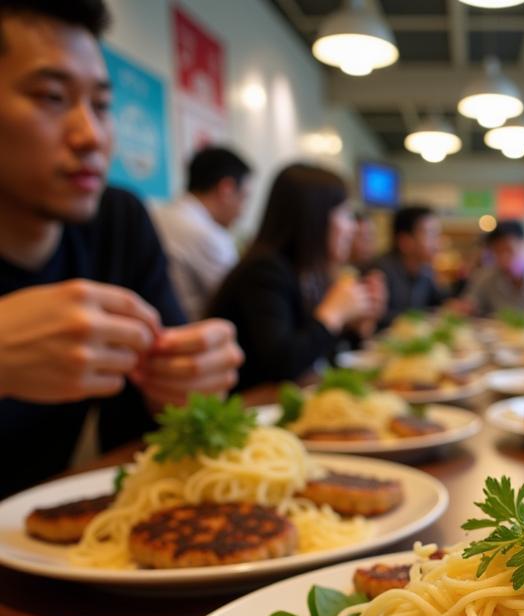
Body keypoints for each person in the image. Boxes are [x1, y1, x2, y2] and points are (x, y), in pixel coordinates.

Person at [0, 0, 242, 498]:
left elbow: (160, 411)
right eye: (51, 96)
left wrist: (188, 381)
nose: (91, 135)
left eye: (102, 106)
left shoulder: (118, 220)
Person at [208, 163, 384, 391]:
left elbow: (321, 359)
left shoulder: (308, 274)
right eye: (345, 214)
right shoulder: (264, 271)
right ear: (314, 216)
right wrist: (332, 316)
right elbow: (281, 367)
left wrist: (357, 328)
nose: (352, 228)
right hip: (251, 411)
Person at [152, 145, 250, 320]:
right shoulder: (209, 236)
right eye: (243, 197)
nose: (241, 212)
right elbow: (243, 304)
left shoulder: (159, 214)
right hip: (191, 336)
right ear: (226, 189)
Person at [452, 219, 524, 317]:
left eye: (509, 250)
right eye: (498, 252)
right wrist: (464, 308)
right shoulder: (486, 277)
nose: (504, 258)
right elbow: (469, 303)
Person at [373, 205, 445, 324]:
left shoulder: (426, 271)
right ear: (405, 241)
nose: (438, 243)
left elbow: (438, 302)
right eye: (431, 234)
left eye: (438, 235)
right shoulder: (380, 272)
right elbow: (379, 318)